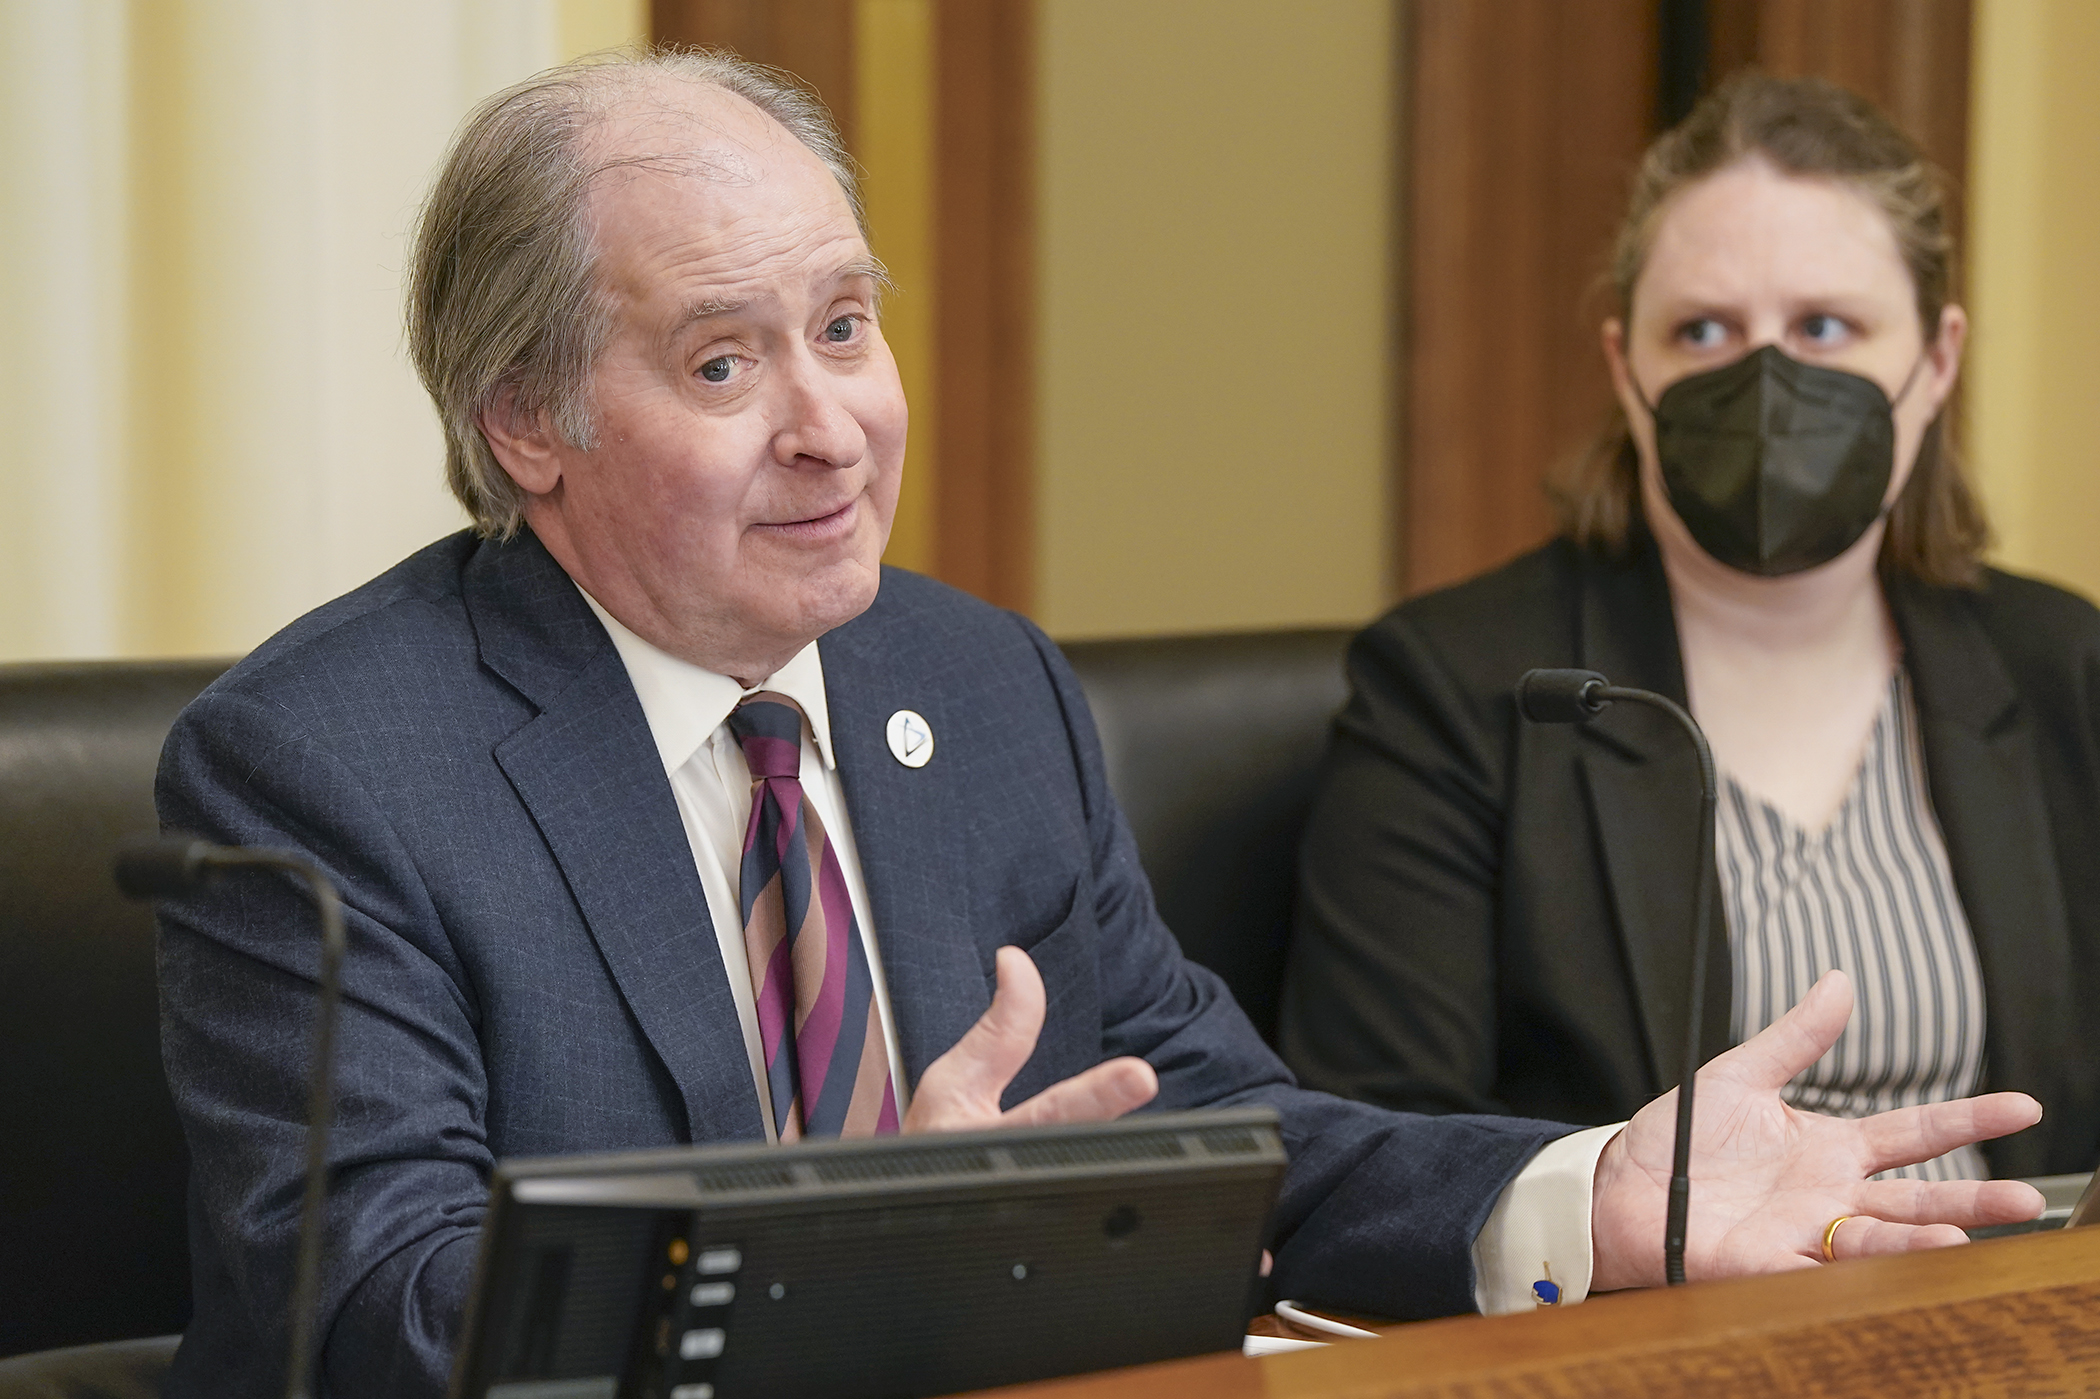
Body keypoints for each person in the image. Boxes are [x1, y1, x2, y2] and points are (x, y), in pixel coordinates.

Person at [153, 54, 2042, 1399]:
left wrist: (1590, 1189)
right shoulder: (324, 768)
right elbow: (376, 1315)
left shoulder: (976, 690)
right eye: (723, 360)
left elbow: (1218, 1128)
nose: (831, 423)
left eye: (846, 325)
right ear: (525, 423)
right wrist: (841, 1239)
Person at [1280, 74, 2100, 1184]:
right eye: (1703, 330)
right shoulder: (1455, 686)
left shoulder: (2062, 665)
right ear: (1628, 371)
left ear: (1936, 359)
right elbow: (1371, 1145)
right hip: (1655, 1335)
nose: (1764, 380)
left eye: (1825, 326)